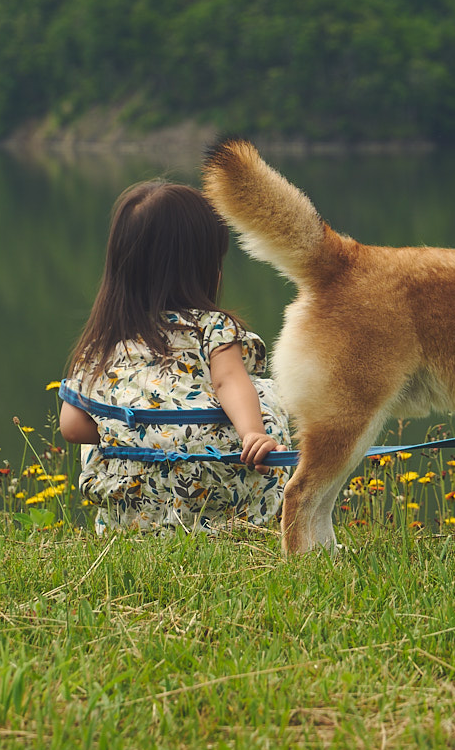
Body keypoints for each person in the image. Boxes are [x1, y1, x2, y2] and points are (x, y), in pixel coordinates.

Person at [57, 179, 291, 533]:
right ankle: (257, 519)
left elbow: (72, 427)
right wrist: (252, 433)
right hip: (221, 489)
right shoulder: (213, 328)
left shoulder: (104, 342)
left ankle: (132, 521)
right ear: (205, 269)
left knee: (100, 419)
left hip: (134, 504)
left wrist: (142, 434)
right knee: (267, 392)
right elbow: (229, 380)